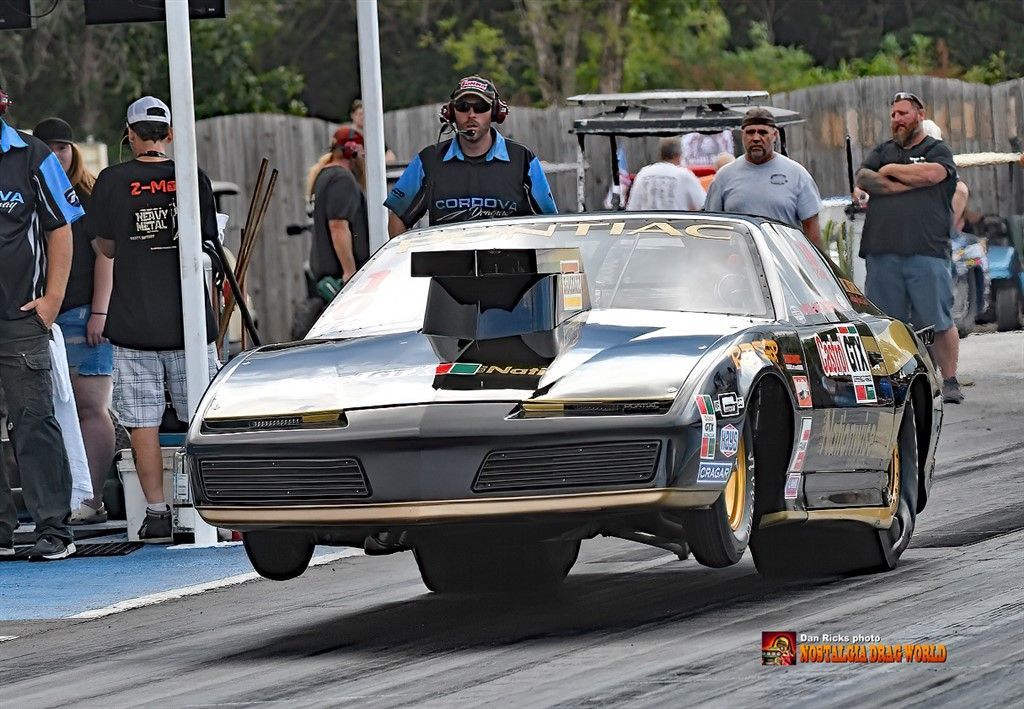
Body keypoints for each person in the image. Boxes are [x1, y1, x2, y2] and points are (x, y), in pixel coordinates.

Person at [87, 96, 220, 542]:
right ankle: (213, 506)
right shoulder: (191, 176)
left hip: (133, 322)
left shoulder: (112, 179)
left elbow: (105, 246)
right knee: (204, 420)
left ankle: (158, 512)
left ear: (129, 134)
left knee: (142, 423)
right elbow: (209, 242)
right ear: (170, 134)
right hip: (190, 323)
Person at [0, 86, 83, 560]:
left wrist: (53, 299)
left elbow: (61, 227)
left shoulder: (33, 155)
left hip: (20, 317)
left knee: (32, 422)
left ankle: (54, 528)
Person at [33, 117, 115, 525]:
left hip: (84, 313)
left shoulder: (89, 195)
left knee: (91, 406)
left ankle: (93, 497)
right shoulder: (26, 194)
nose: (57, 155)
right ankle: (64, 496)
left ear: (74, 151)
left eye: (63, 147)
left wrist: (100, 311)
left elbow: (106, 256)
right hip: (41, 315)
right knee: (47, 410)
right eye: (47, 148)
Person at [855, 91, 963, 403]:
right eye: (893, 115)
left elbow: (934, 173)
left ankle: (951, 380)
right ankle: (891, 381)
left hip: (926, 251)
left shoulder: (937, 149)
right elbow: (863, 178)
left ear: (919, 114)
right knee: (886, 323)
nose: (897, 119)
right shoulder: (882, 150)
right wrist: (901, 183)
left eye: (903, 113)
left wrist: (889, 171)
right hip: (882, 251)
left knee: (937, 319)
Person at [385, 75, 557, 236]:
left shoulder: (523, 160)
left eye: (481, 107)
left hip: (509, 266)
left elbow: (550, 222)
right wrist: (410, 263)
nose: (471, 114)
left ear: (496, 112)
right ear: (450, 113)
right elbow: (397, 217)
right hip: (446, 266)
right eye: (463, 107)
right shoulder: (429, 160)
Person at [704, 107, 822, 247]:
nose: (756, 138)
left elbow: (812, 231)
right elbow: (712, 228)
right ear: (743, 135)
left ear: (775, 135)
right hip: (740, 264)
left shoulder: (797, 174)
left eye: (763, 132)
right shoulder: (724, 177)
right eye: (750, 132)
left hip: (784, 263)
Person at [304, 126, 370, 289]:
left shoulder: (325, 175)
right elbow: (338, 226)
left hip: (330, 273)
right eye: (362, 153)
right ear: (352, 151)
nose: (363, 159)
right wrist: (350, 273)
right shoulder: (342, 178)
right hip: (341, 277)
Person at [625, 137, 705, 211]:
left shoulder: (643, 173)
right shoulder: (684, 175)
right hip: (678, 225)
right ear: (678, 155)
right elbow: (703, 205)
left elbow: (632, 208)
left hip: (647, 224)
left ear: (660, 154)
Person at [347, 98, 397, 163]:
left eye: (364, 114)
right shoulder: (349, 135)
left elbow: (390, 155)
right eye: (360, 114)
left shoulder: (373, 135)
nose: (362, 117)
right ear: (353, 115)